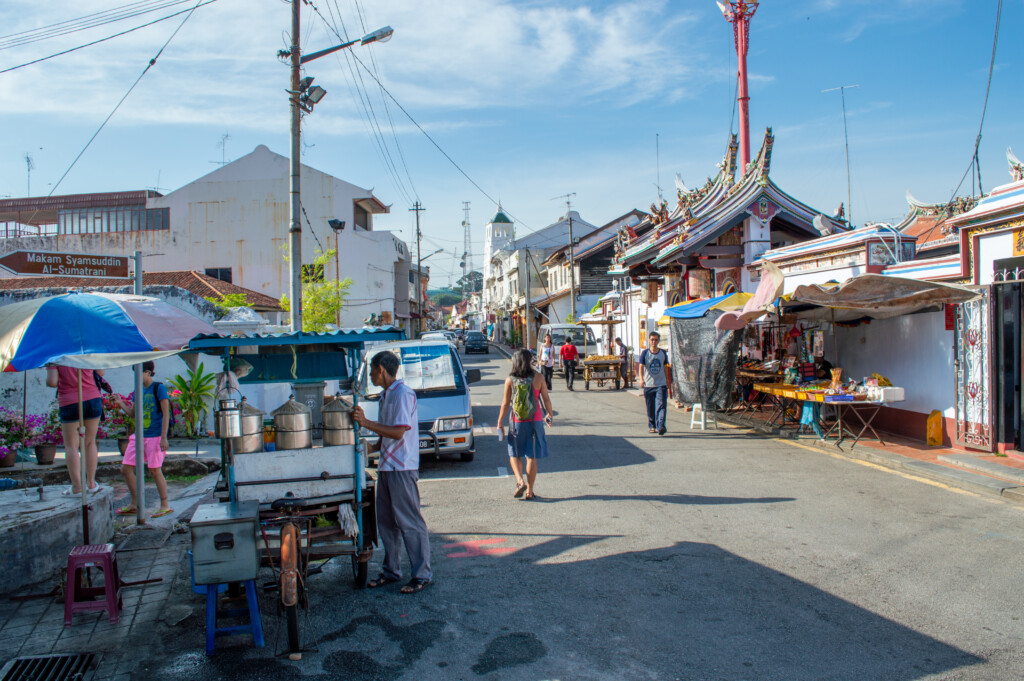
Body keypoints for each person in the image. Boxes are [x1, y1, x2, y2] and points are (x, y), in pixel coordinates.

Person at [352, 351, 433, 594]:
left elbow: (398, 432)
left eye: (372, 371)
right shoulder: (386, 396)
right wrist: (375, 445)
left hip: (402, 466)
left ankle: (422, 574)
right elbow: (387, 432)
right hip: (387, 466)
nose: (370, 375)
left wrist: (365, 424)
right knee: (386, 522)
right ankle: (392, 570)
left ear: (382, 370)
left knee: (410, 522)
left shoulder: (402, 394)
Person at [112, 361, 172, 517]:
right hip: (139, 435)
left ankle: (164, 504)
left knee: (154, 470)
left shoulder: (159, 388)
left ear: (148, 372)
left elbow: (166, 414)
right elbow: (133, 413)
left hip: (155, 436)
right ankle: (135, 502)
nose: (137, 375)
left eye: (140, 372)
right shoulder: (137, 390)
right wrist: (120, 404)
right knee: (125, 469)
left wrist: (164, 437)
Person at [497, 348, 553, 500]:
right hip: (535, 421)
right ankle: (530, 490)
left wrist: (500, 421)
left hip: (516, 422)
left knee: (513, 454)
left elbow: (505, 403)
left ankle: (520, 481)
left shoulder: (510, 379)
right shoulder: (539, 378)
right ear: (529, 361)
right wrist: (550, 414)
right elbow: (546, 399)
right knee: (531, 457)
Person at [46, 364, 103, 496]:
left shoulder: (57, 354)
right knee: (89, 442)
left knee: (71, 445)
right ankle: (91, 483)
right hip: (92, 398)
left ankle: (77, 486)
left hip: (70, 400)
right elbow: (100, 371)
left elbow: (52, 382)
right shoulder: (87, 349)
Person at [638, 331, 673, 435]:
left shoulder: (662, 353)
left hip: (660, 384)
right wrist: (641, 379)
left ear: (658, 340)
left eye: (656, 339)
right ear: (649, 340)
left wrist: (667, 380)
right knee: (650, 406)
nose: (654, 341)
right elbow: (641, 366)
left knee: (661, 405)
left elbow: (665, 367)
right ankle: (652, 425)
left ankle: (661, 426)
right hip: (648, 384)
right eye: (652, 339)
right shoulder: (645, 353)